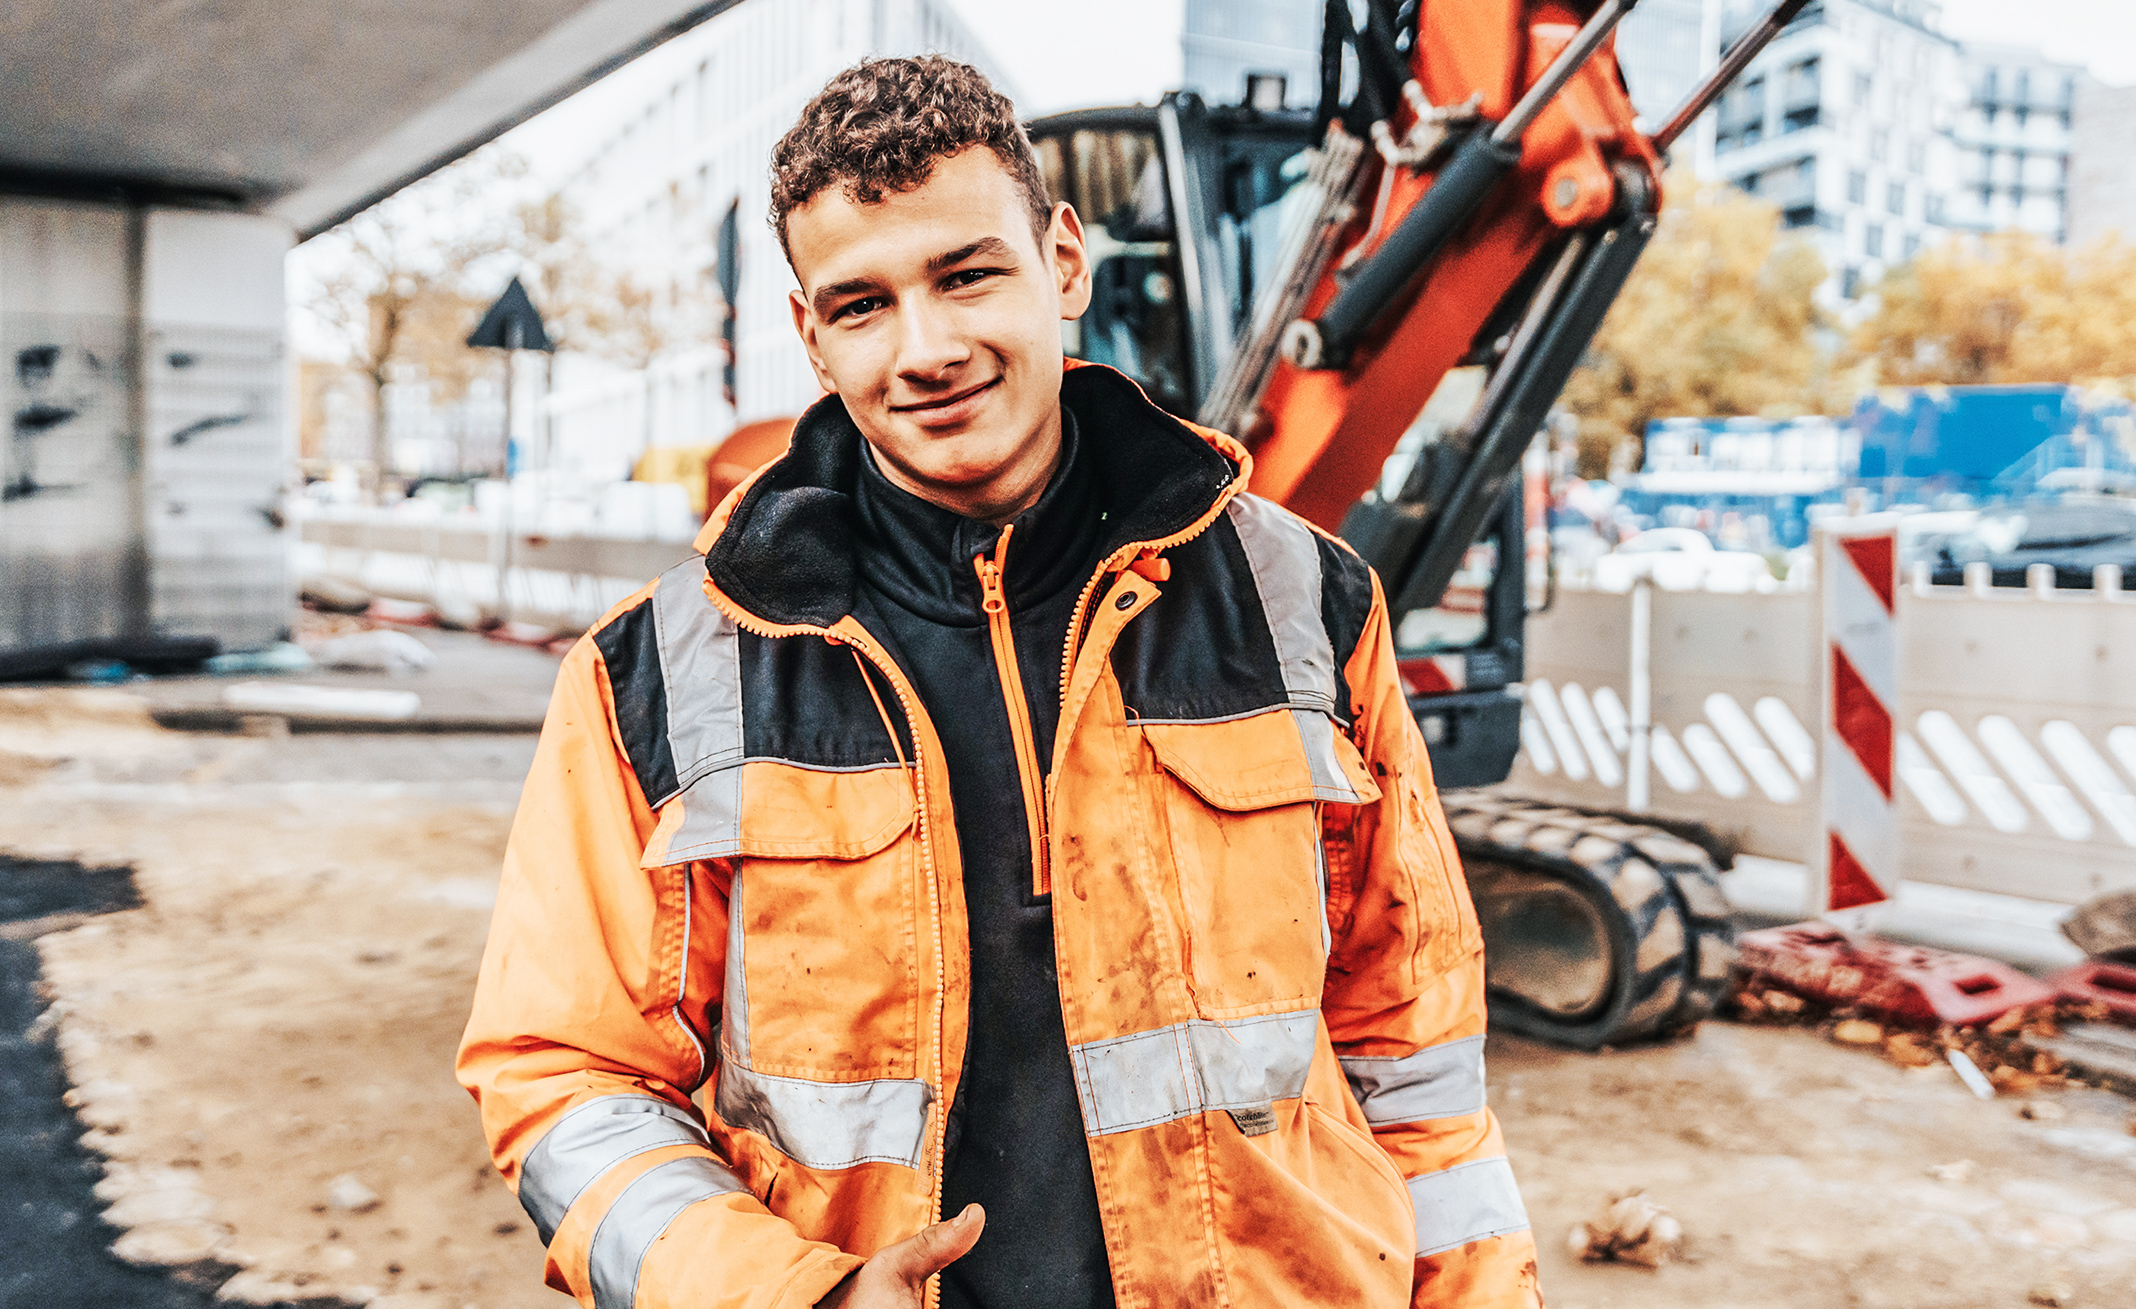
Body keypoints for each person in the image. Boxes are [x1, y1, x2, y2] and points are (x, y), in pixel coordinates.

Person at [457, 54, 1541, 1309]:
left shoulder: (1302, 599)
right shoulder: (660, 671)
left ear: (1064, 262)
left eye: (966, 274)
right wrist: (790, 1294)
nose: (926, 350)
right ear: (810, 336)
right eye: (861, 305)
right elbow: (564, 1077)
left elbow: (1418, 1056)